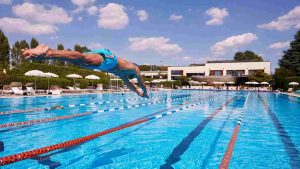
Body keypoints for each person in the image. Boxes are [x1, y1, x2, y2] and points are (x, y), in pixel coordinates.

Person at [22, 44, 149, 98]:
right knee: (83, 58)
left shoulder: (124, 75)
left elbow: (131, 85)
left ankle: (45, 54)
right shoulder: (134, 68)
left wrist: (137, 92)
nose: (133, 78)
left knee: (79, 60)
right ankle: (48, 52)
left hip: (105, 66)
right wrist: (144, 91)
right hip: (110, 59)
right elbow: (141, 82)